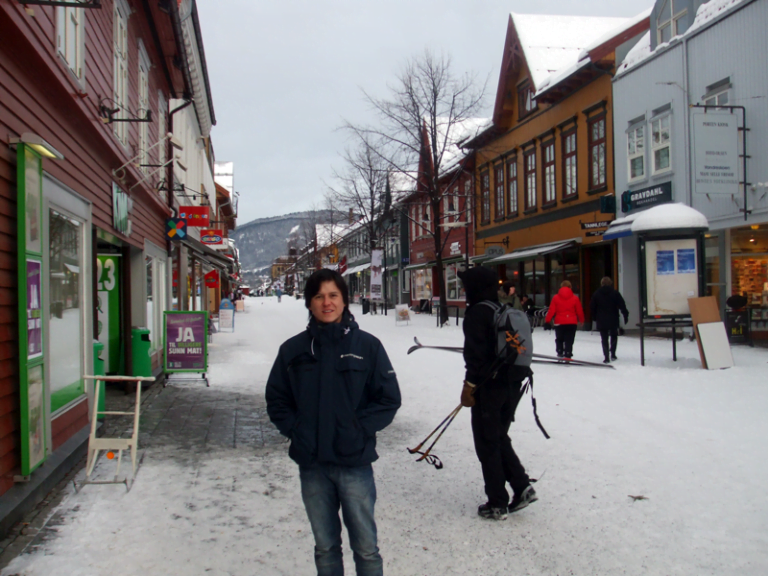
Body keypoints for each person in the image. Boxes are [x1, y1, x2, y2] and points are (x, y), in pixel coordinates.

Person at [266, 269, 401, 576]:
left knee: (366, 549)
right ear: (309, 303)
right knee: (326, 548)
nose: (327, 303)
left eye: (333, 295)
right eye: (319, 296)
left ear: (344, 300)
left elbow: (388, 399)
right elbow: (277, 399)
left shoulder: (368, 347)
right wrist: (297, 430)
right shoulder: (293, 350)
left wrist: (357, 429)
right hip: (312, 465)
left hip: (354, 463)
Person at [457, 266, 537, 522]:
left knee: (487, 442)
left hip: (490, 387)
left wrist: (469, 386)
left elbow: (475, 356)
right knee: (498, 436)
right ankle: (522, 486)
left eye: (466, 285)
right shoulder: (500, 309)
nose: (463, 290)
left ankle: (497, 503)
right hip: (513, 383)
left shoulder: (477, 313)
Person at [590, 277, 629, 363]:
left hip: (601, 318)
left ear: (601, 284)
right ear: (610, 283)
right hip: (613, 318)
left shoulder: (596, 294)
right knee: (614, 336)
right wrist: (625, 314)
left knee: (604, 338)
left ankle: (606, 356)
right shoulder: (615, 293)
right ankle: (613, 354)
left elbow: (593, 307)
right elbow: (622, 304)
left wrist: (594, 317)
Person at [544, 280, 584, 359]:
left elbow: (551, 310)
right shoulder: (575, 298)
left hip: (559, 322)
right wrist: (581, 320)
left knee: (559, 338)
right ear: (570, 287)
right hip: (571, 322)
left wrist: (547, 320)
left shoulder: (555, 298)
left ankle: (560, 351)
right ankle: (568, 353)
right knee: (569, 339)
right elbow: (579, 310)